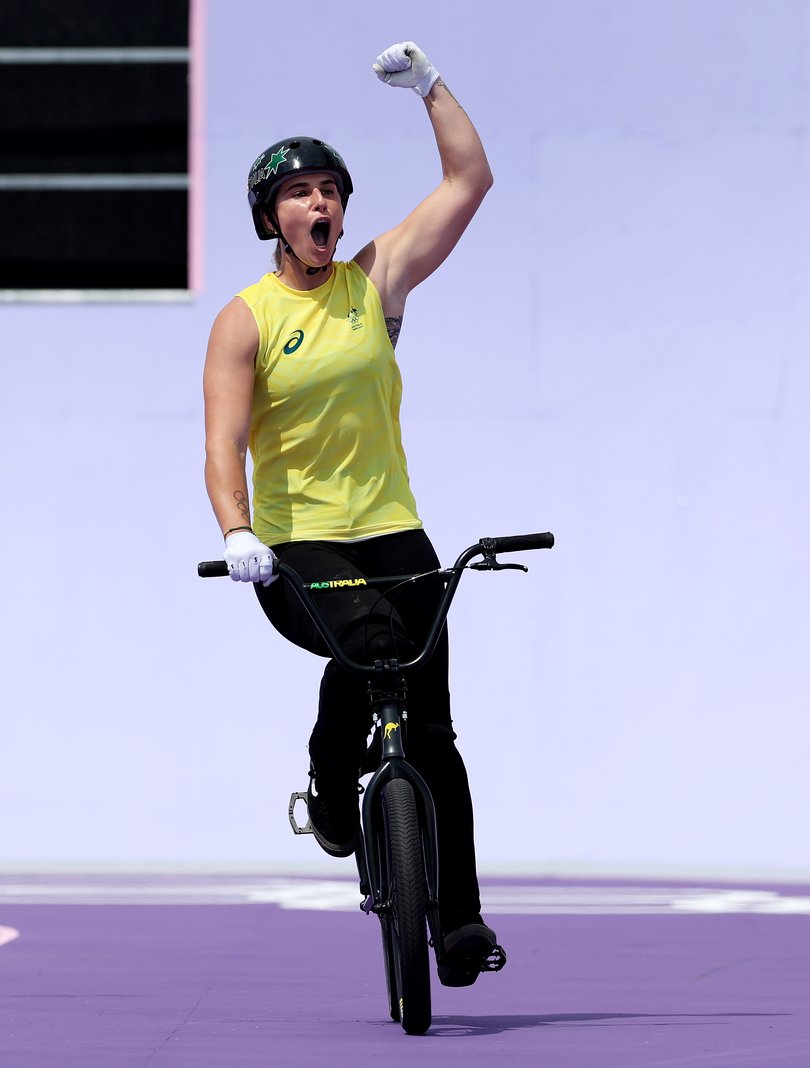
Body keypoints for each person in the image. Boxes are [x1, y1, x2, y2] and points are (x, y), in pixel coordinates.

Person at [203, 42, 496, 987]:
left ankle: (458, 924)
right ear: (271, 219)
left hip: (393, 527)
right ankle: (334, 796)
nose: (320, 206)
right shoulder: (246, 318)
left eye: (331, 190)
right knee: (369, 645)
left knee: (435, 726)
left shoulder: (375, 284)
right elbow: (222, 443)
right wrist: (237, 530)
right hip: (298, 543)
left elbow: (469, 179)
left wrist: (431, 86)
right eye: (300, 194)